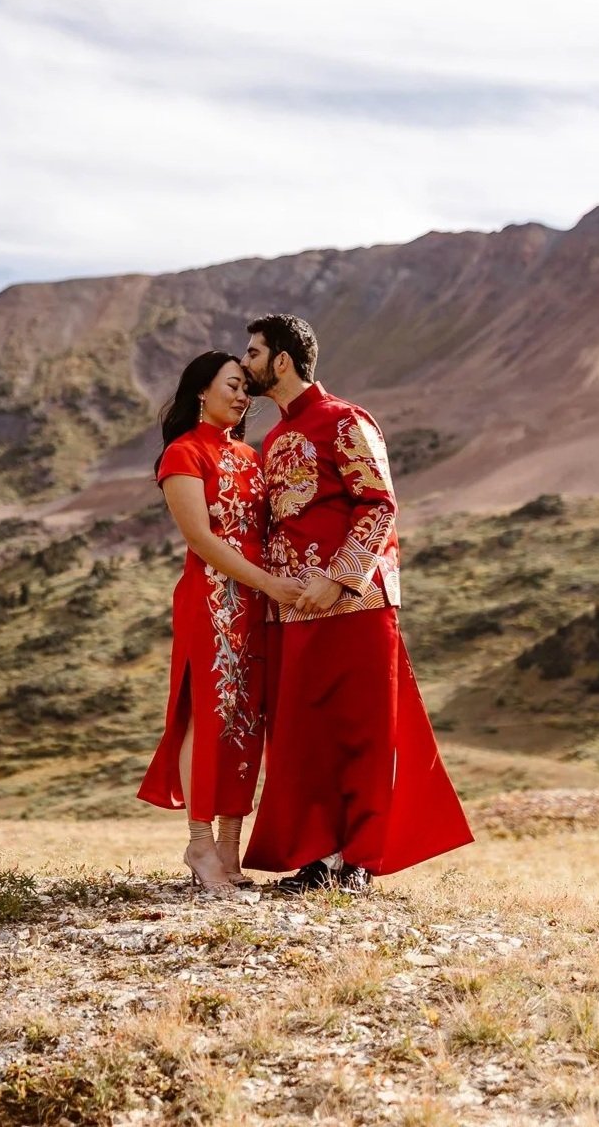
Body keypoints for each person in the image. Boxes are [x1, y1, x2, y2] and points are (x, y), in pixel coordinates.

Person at [240, 313, 473, 893]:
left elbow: (379, 505)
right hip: (293, 609)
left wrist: (340, 579)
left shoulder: (346, 421)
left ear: (283, 361)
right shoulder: (270, 439)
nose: (245, 364)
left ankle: (358, 861)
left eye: (253, 353)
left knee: (360, 732)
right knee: (304, 736)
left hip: (357, 603)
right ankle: (319, 856)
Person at [137, 351, 305, 893]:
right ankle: (199, 843)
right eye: (231, 386)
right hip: (210, 603)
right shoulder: (183, 454)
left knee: (247, 720)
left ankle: (231, 850)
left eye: (244, 389)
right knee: (206, 716)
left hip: (255, 606)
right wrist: (268, 584)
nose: (240, 397)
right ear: (200, 392)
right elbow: (202, 541)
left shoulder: (249, 457)